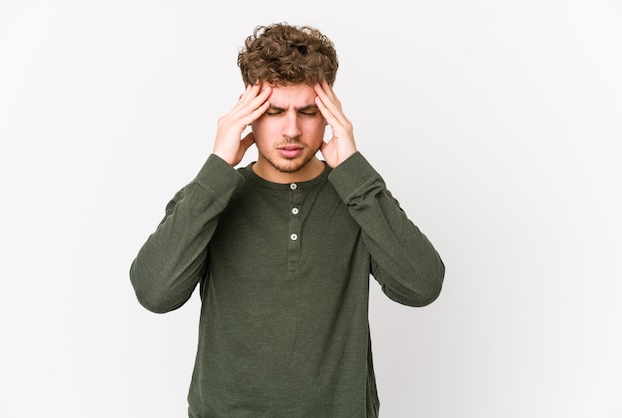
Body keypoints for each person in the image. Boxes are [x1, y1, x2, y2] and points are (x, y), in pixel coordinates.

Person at [130, 22, 445, 418]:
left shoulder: (359, 196)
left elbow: (422, 286)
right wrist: (216, 169)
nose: (292, 130)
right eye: (275, 111)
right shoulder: (212, 194)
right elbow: (155, 293)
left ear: (331, 116)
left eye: (309, 112)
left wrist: (354, 173)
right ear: (248, 115)